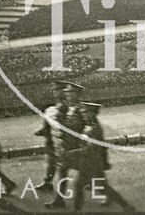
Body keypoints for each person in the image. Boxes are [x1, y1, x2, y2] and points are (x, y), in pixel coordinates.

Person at [70, 102, 135, 213]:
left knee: (79, 186)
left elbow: (89, 149)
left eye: (86, 112)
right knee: (102, 186)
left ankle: (77, 211)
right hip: (93, 163)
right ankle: (125, 205)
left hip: (90, 164)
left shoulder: (93, 129)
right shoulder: (90, 125)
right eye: (83, 112)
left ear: (93, 113)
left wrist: (71, 153)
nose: (84, 114)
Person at [44, 81, 85, 209]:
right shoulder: (68, 107)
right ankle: (59, 200)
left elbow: (80, 126)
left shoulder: (82, 108)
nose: (67, 94)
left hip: (79, 147)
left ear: (77, 94)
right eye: (67, 92)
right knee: (62, 170)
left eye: (70, 92)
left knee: (91, 174)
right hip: (68, 146)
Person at [33, 80, 68, 191]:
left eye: (57, 90)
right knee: (51, 160)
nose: (55, 92)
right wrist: (45, 130)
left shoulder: (68, 105)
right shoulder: (55, 106)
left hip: (65, 139)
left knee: (74, 163)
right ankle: (48, 182)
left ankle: (90, 180)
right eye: (54, 90)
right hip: (53, 139)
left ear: (64, 91)